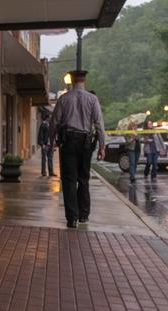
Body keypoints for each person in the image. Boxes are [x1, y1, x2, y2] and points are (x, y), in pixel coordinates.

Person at [49, 70, 105, 229]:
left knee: (68, 180)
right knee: (83, 178)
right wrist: (102, 146)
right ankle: (84, 215)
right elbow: (99, 124)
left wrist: (51, 141)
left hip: (68, 142)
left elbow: (54, 122)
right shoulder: (93, 99)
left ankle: (72, 218)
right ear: (84, 81)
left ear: (72, 81)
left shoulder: (63, 99)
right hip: (86, 142)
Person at [37, 113, 56, 177]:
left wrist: (53, 144)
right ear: (47, 118)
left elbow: (53, 135)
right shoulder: (43, 125)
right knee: (44, 159)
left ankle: (51, 172)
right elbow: (40, 135)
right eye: (50, 117)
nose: (51, 119)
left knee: (50, 158)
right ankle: (43, 172)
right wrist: (42, 144)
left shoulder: (51, 125)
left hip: (50, 145)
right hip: (45, 145)